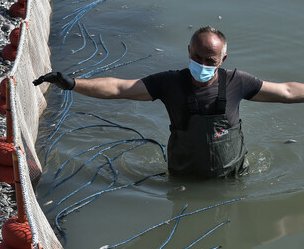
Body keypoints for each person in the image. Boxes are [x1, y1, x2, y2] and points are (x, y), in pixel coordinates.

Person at [33, 26, 304, 179]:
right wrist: (73, 83)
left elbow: (288, 91)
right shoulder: (169, 83)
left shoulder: (237, 82)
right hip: (183, 179)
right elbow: (120, 88)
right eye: (197, 57)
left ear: (223, 60)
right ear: (188, 51)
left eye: (210, 61)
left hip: (234, 178)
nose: (202, 65)